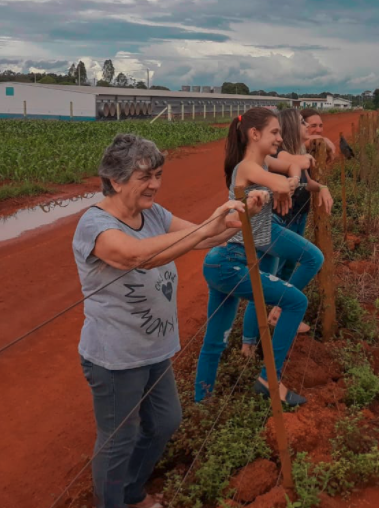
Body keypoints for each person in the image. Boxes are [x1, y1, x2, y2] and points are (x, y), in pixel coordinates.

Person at [72, 133, 266, 508]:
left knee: (164, 422)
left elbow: (202, 239)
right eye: (145, 176)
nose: (155, 185)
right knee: (118, 439)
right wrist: (206, 228)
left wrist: (241, 218)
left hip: (154, 350)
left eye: (158, 175)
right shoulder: (93, 225)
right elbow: (136, 256)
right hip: (115, 358)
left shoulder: (155, 215)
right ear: (116, 179)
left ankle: (131, 493)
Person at [194, 107, 324, 407]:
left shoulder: (262, 162)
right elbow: (288, 178)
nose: (280, 138)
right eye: (274, 133)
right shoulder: (246, 169)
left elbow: (295, 163)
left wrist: (289, 178)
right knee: (296, 301)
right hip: (230, 260)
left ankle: (203, 402)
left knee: (217, 338)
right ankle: (270, 379)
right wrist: (283, 186)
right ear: (254, 134)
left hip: (227, 260)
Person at [241, 109, 334, 346]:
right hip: (273, 223)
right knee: (271, 279)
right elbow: (296, 165)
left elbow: (303, 176)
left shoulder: (293, 154)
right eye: (303, 123)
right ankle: (263, 329)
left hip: (290, 219)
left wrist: (320, 186)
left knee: (273, 278)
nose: (308, 127)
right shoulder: (279, 156)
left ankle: (253, 340)